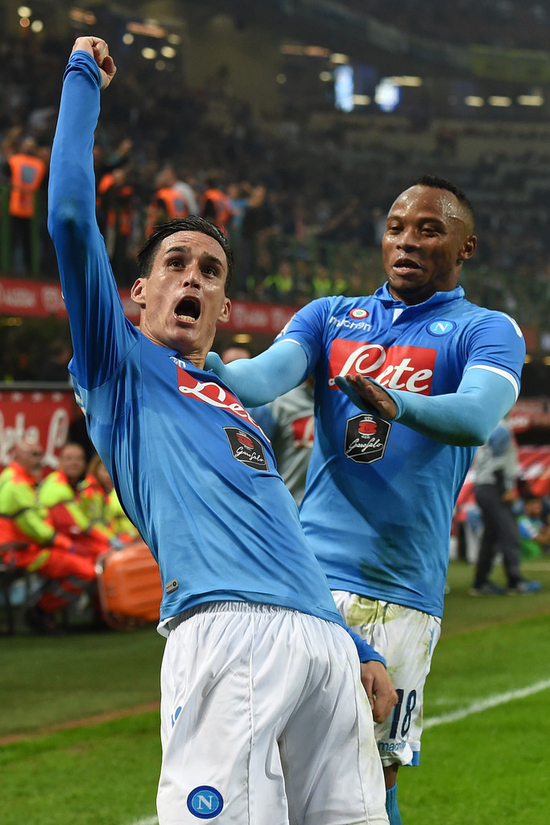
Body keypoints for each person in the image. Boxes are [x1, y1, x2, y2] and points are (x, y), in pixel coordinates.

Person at [48, 37, 396, 825]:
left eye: (210, 271)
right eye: (176, 263)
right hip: (224, 629)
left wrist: (357, 646)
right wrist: (82, 78)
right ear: (138, 293)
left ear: (225, 307)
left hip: (323, 649)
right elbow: (69, 216)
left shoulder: (237, 406)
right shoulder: (120, 364)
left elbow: (282, 534)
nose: (194, 278)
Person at [206, 174, 527, 824]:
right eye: (396, 227)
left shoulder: (487, 330)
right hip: (303, 581)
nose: (407, 241)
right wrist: (203, 363)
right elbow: (259, 379)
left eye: (429, 229)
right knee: (273, 772)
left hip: (396, 591)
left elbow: (474, 416)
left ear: (465, 247)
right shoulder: (330, 316)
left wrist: (396, 402)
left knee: (370, 783)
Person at [0, 438, 97, 633]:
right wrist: (66, 544)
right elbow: (36, 529)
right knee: (86, 570)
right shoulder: (16, 484)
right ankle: (39, 610)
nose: (40, 460)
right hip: (20, 553)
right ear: (18, 456)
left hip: (29, 548)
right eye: (34, 455)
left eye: (41, 454)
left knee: (85, 560)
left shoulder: (15, 477)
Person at [471, 420, 542, 594]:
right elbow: (497, 465)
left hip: (484, 486)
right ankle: (515, 581)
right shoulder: (502, 429)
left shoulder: (490, 425)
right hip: (493, 487)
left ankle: (480, 583)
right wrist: (504, 489)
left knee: (491, 536)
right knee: (509, 533)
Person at [38, 442, 112, 560]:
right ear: (59, 462)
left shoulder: (75, 487)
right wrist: (110, 540)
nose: (74, 463)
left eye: (79, 459)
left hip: (65, 540)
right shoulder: (57, 486)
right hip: (53, 546)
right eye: (69, 458)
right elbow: (82, 524)